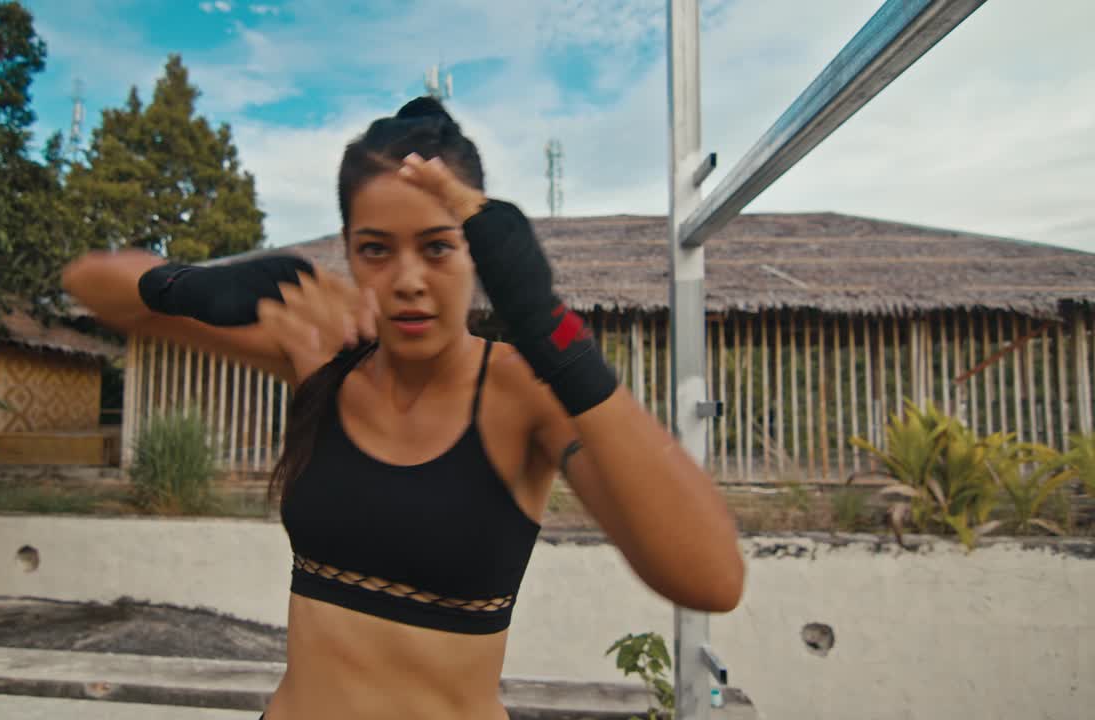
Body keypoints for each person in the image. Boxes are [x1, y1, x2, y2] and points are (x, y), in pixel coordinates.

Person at [62, 97, 744, 720]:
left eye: (438, 247)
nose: (409, 281)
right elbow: (92, 287)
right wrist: (197, 285)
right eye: (376, 250)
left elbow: (711, 577)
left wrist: (557, 340)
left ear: (479, 249)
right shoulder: (320, 354)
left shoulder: (523, 392)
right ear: (350, 251)